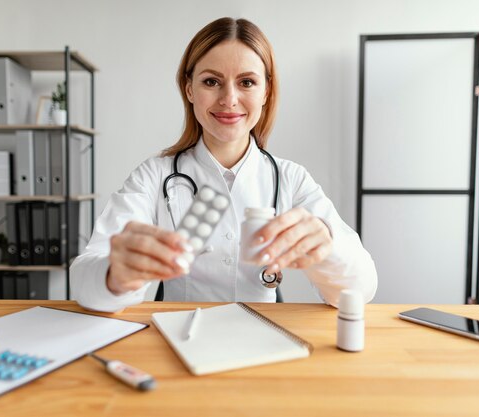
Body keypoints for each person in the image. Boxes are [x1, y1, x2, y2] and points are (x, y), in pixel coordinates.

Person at [70, 17, 377, 312]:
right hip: (177, 340)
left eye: (246, 82)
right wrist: (115, 275)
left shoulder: (291, 180)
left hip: (261, 342)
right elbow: (84, 278)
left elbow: (360, 288)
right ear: (189, 88)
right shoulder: (154, 176)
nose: (229, 99)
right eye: (212, 81)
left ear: (266, 91)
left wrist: (327, 248)